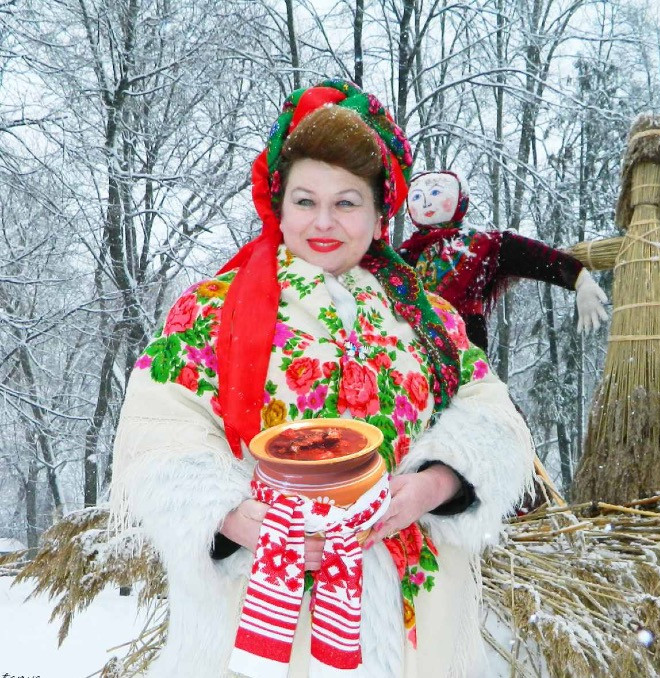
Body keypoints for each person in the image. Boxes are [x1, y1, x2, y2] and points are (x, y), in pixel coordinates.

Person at [109, 79, 534, 678]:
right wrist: (233, 517)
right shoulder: (212, 310)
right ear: (278, 202)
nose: (323, 221)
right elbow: (160, 429)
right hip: (266, 601)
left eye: (347, 201)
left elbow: (492, 414)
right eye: (305, 200)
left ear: (381, 208)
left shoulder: (429, 317)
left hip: (411, 606)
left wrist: (433, 487)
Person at [398, 170, 609, 351]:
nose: (426, 202)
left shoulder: (484, 246)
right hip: (409, 351)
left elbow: (533, 256)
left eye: (435, 193)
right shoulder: (405, 255)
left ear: (460, 199)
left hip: (465, 353)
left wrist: (579, 279)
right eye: (416, 196)